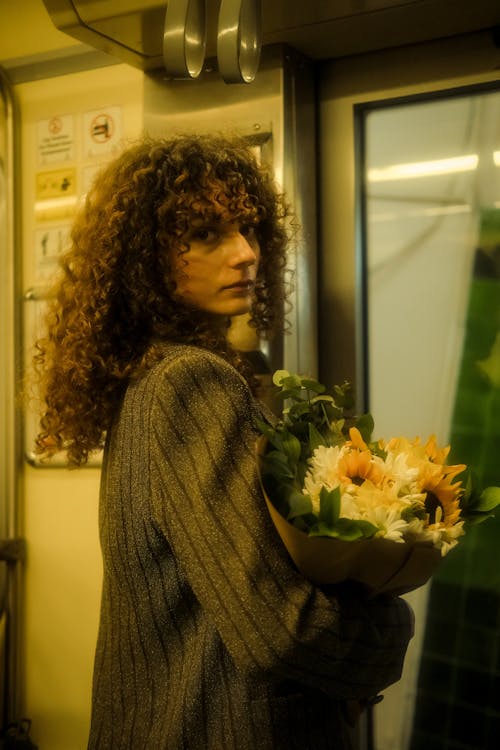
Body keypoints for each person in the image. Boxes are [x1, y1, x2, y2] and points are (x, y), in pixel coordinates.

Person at [34, 134, 413, 750]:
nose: (244, 254)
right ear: (145, 258)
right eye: (207, 233)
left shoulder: (157, 376)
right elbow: (277, 629)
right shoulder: (188, 382)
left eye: (250, 228)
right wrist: (390, 624)